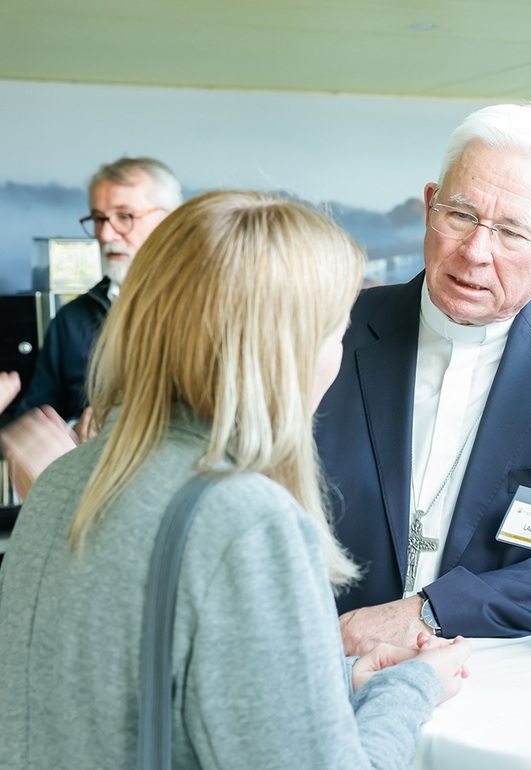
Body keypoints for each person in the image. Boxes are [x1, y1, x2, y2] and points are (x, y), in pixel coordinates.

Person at [0, 190, 471, 767]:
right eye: (335, 332)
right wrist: (412, 686)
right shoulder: (246, 519)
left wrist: (338, 676)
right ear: (284, 351)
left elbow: (122, 706)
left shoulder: (63, 483)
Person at [315, 103, 531, 650]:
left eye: (512, 234)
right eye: (460, 215)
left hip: (497, 675)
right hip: (322, 659)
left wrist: (429, 613)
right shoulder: (328, 330)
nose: (475, 252)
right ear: (430, 207)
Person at [18, 156, 182, 423]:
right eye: (98, 218)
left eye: (124, 216)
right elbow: (35, 422)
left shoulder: (208, 308)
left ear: (171, 222)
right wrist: (75, 430)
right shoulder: (71, 320)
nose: (105, 235)